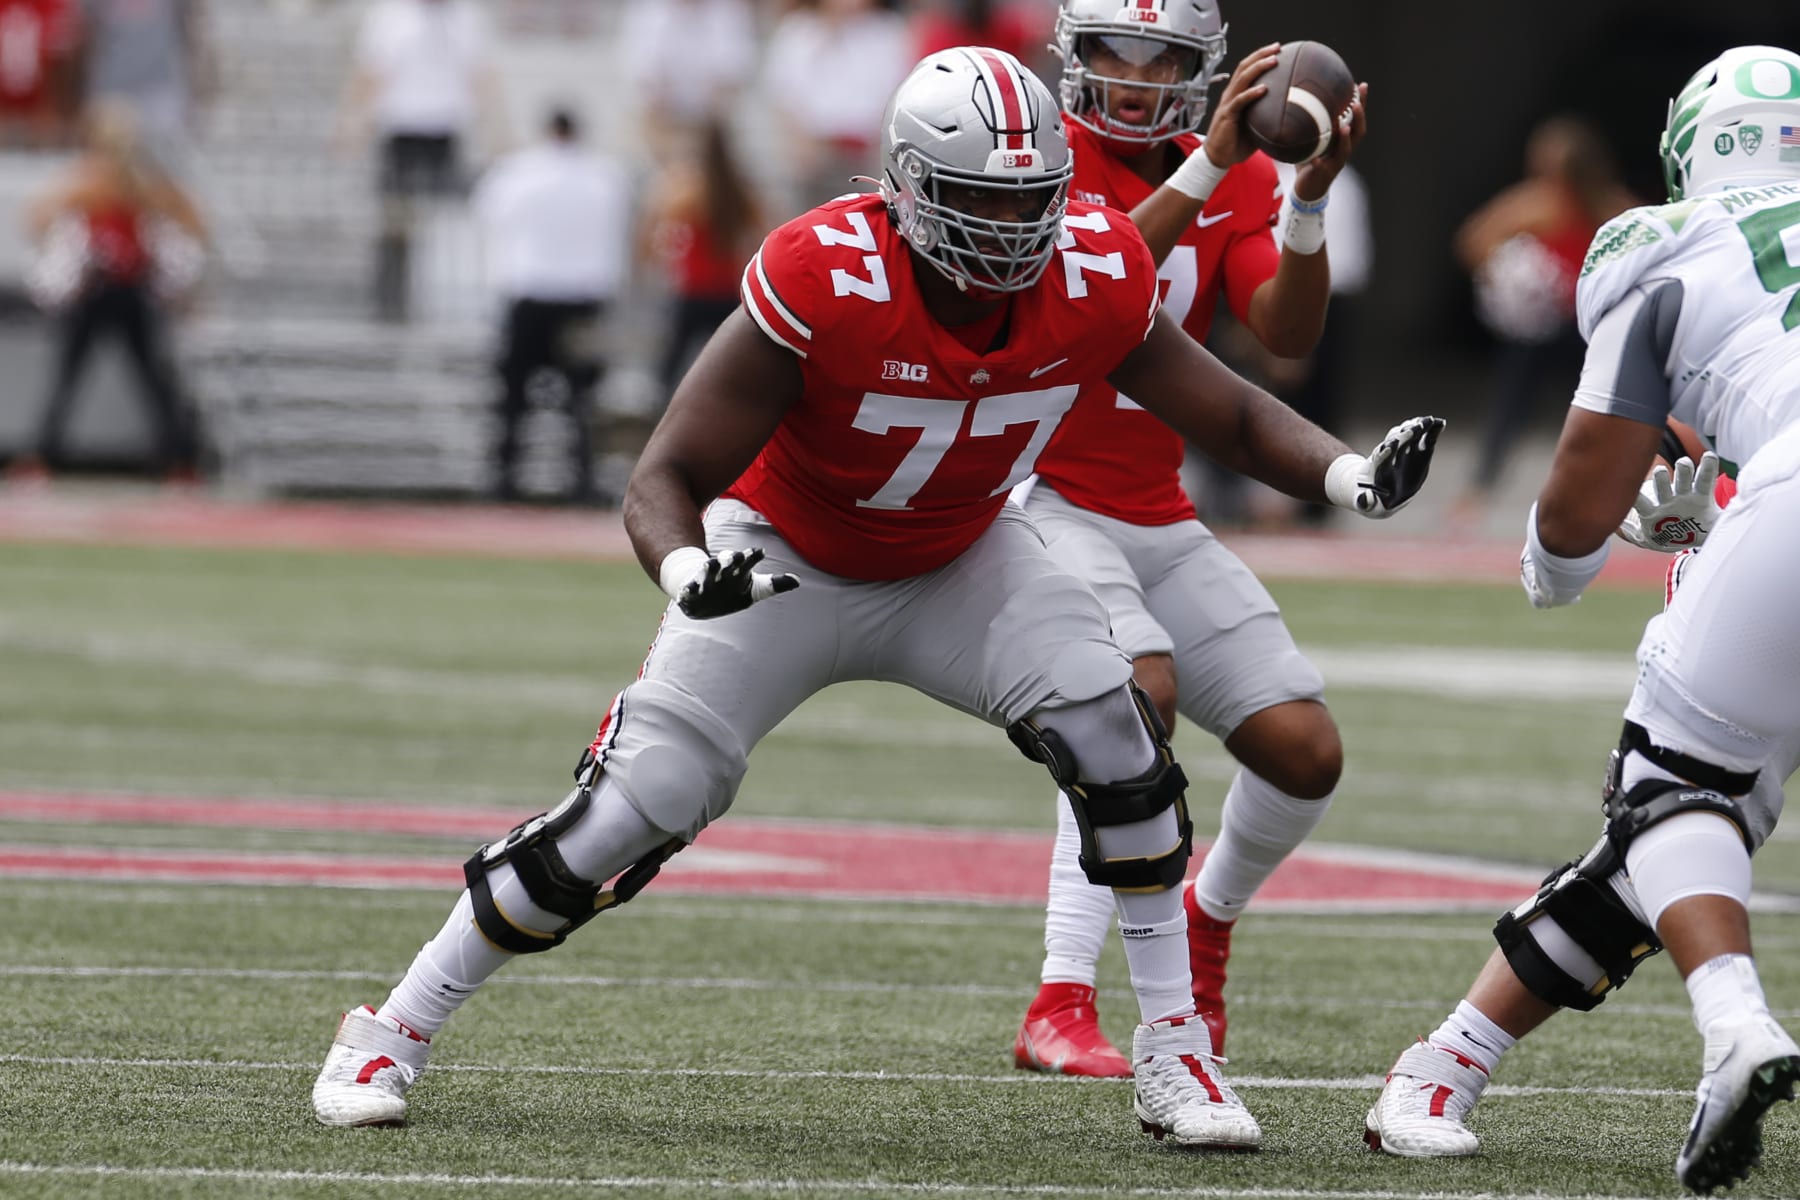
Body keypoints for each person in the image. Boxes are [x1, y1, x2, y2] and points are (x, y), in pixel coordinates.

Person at [309, 46, 1441, 1150]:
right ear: (906, 188)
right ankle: (391, 1027)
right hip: (785, 558)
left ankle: (1175, 1049)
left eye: (1030, 200)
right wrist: (690, 572)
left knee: (1118, 735)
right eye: (977, 200)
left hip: (962, 554)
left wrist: (1350, 475)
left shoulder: (1093, 266)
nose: (1010, 228)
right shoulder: (826, 272)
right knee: (632, 806)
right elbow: (665, 473)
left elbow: (1230, 409)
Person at [1362, 45, 1800, 1196]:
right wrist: (1728, 502)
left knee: (1673, 801)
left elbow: (1575, 509)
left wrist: (1559, 564)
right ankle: (1447, 1063)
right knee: (1691, 823)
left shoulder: (1665, 239)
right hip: (1776, 498)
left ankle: (1734, 1025)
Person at [1010, 0, 1368, 1079]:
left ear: (1197, 68)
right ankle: (1060, 996)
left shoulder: (1238, 176)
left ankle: (1210, 920)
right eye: (1112, 51)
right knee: (1136, 697)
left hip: (1154, 506)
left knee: (1305, 752)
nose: (1132, 75)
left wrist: (1308, 199)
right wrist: (1211, 165)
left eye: (1158, 56)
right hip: (1036, 490)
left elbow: (1286, 333)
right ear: (1075, 56)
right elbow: (1089, 286)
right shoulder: (1033, 159)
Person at [1449, 115, 1638, 524]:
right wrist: (1510, 277)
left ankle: (1616, 489)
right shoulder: (1536, 202)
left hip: (1591, 328)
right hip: (1540, 328)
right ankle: (1478, 491)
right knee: (1511, 406)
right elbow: (1474, 241)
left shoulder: (1612, 205)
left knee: (1603, 408)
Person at [12, 100, 206, 484]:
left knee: (152, 378)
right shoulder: (87, 180)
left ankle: (180, 459)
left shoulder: (146, 183)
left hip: (133, 288)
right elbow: (35, 218)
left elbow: (193, 220)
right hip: (92, 289)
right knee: (68, 375)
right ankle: (42, 457)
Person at [472, 106, 630, 504]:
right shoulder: (605, 176)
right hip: (583, 299)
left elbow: (488, 218)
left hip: (531, 293)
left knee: (514, 394)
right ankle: (583, 480)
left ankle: (505, 478)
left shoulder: (516, 173)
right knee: (582, 397)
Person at [340, 0, 503, 321]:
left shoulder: (466, 18)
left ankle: (438, 304)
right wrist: (353, 123)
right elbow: (371, 73)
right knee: (395, 220)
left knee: (444, 224)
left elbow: (481, 77)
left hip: (445, 130)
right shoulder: (390, 17)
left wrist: (496, 131)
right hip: (402, 130)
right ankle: (389, 303)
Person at [640, 118, 769, 404]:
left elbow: (655, 230)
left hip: (693, 291)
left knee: (670, 369)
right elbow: (768, 233)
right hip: (728, 290)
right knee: (731, 365)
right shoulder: (740, 189)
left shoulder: (687, 190)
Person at [760, 0, 913, 214]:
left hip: (868, 154)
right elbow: (783, 96)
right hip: (812, 156)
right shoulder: (798, 31)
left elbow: (897, 94)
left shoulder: (888, 32)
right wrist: (800, 142)